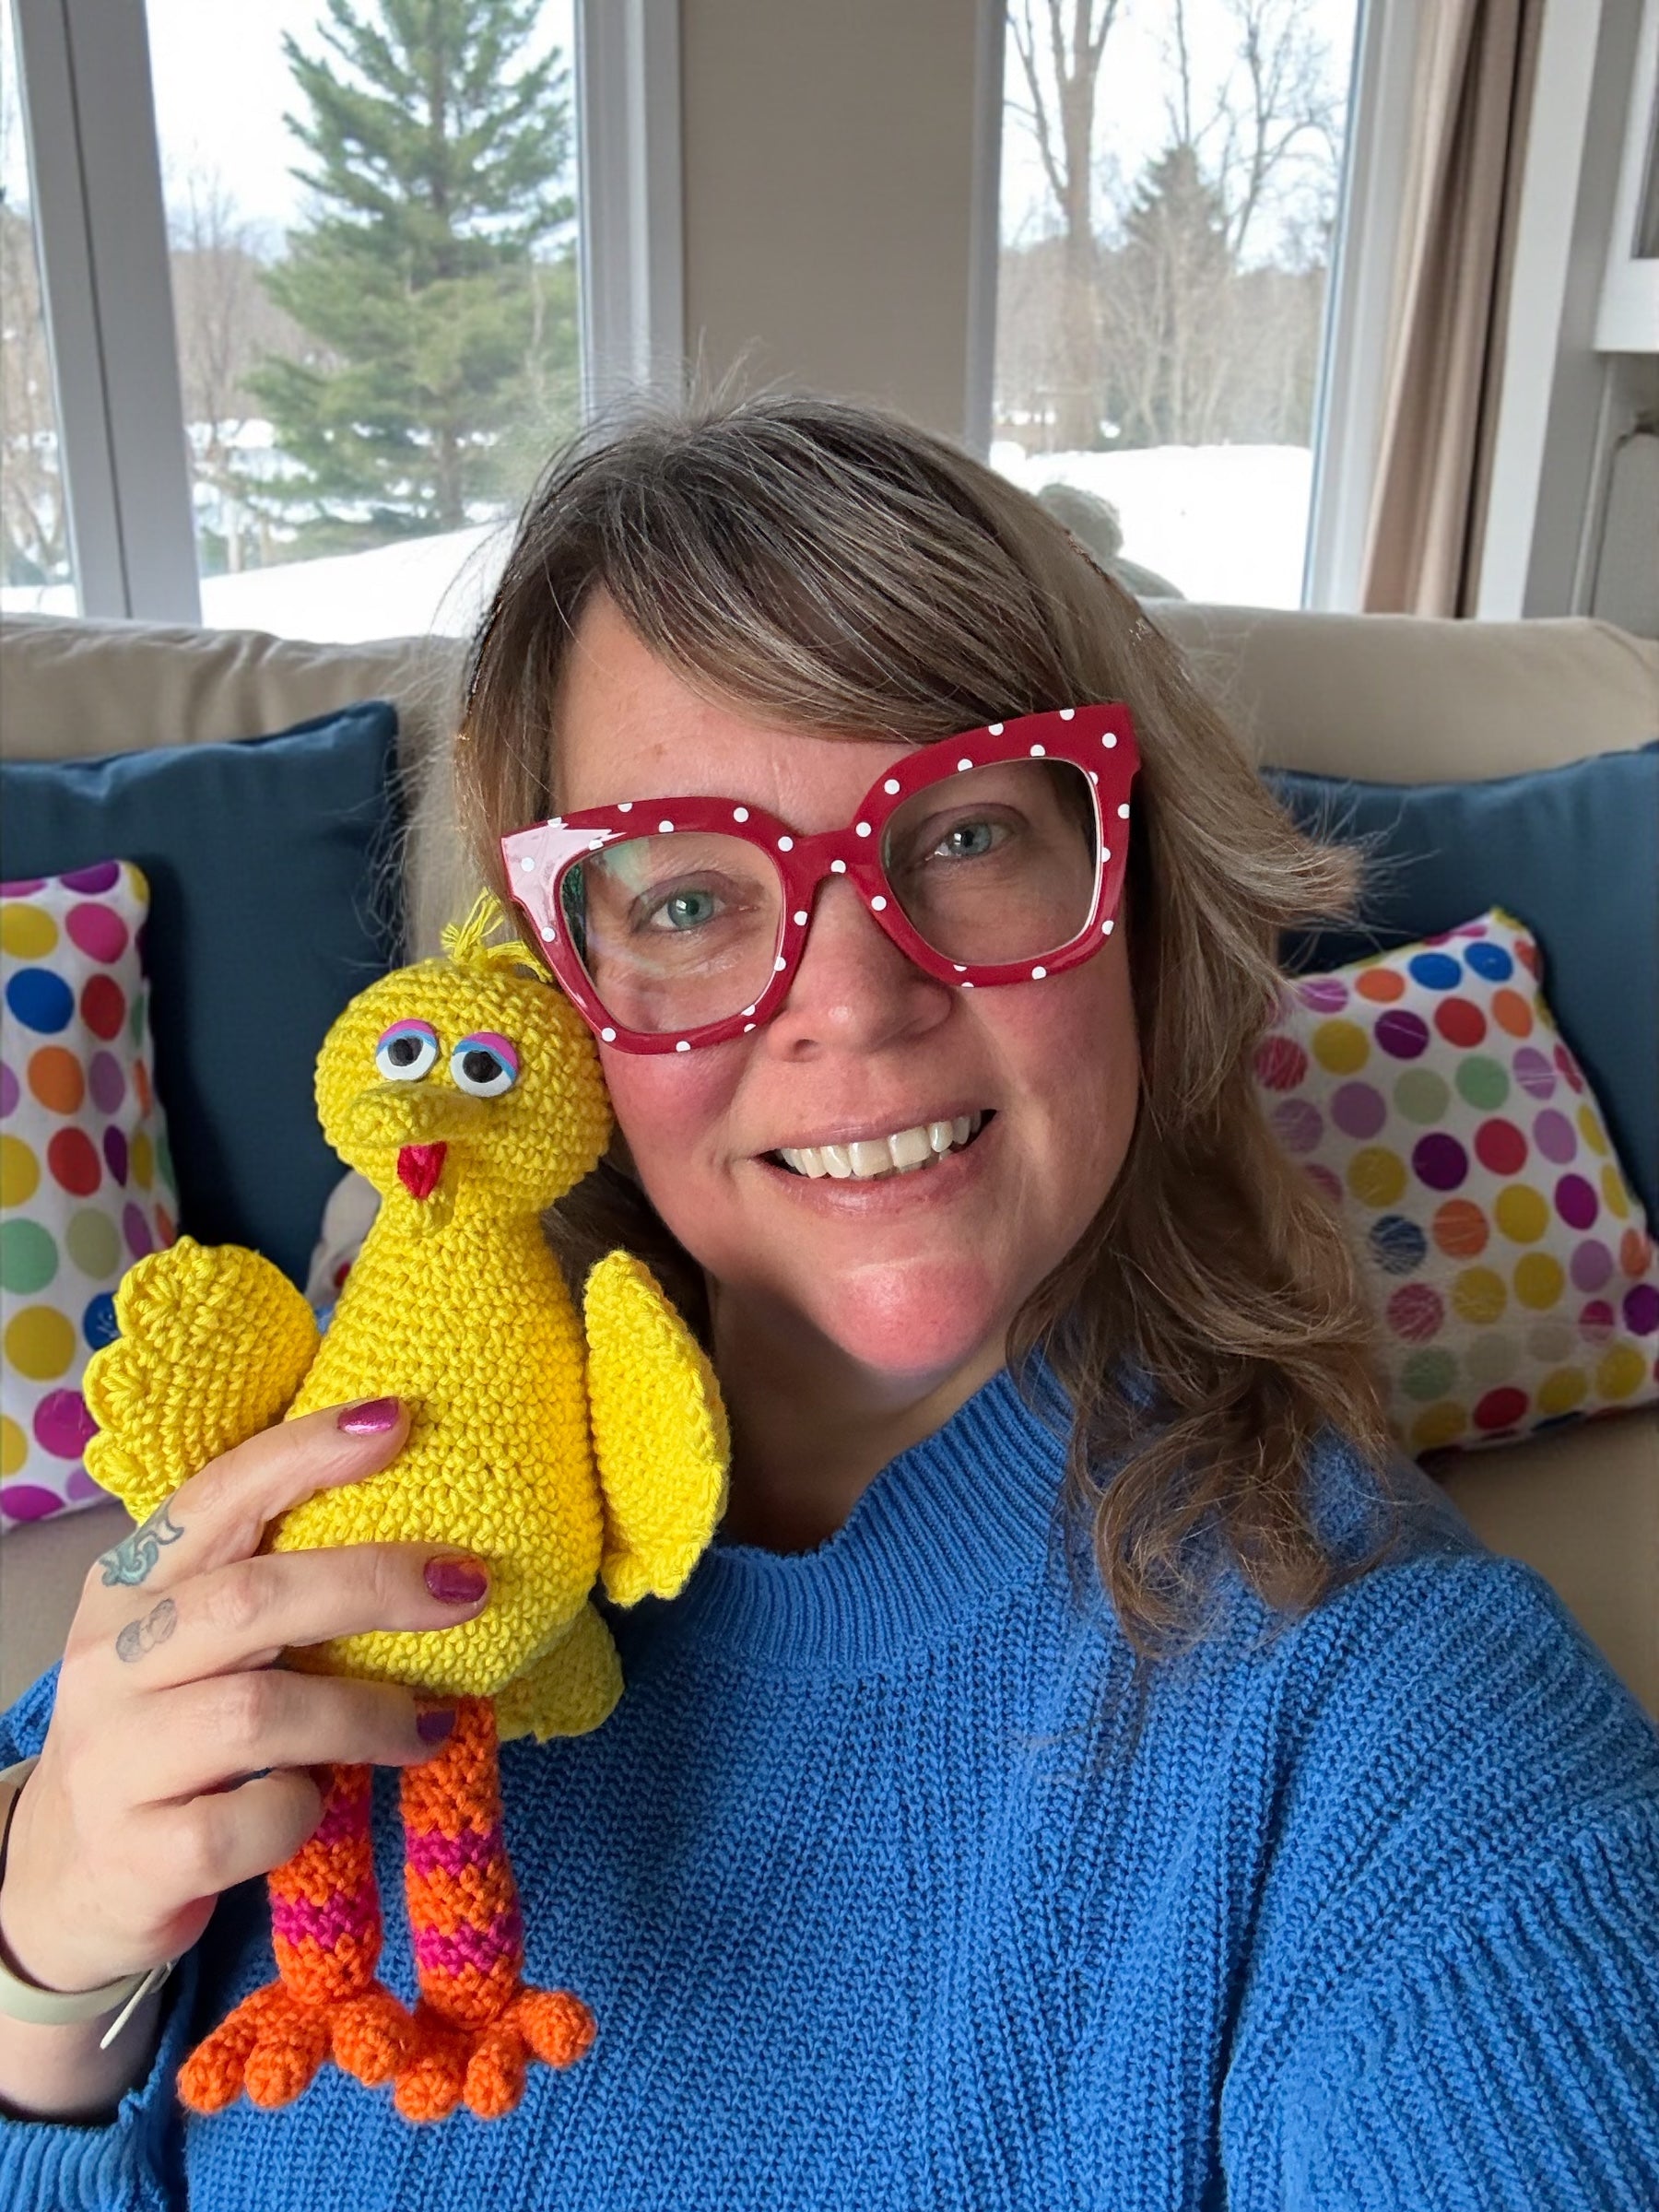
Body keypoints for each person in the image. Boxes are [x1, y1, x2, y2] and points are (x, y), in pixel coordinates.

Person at [1, 394, 1655, 2208]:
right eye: (687, 899)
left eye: (966, 834)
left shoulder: (1402, 1723)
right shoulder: (328, 1481)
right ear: (551, 991)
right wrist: (48, 1992)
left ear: (1138, 894)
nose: (855, 1003)